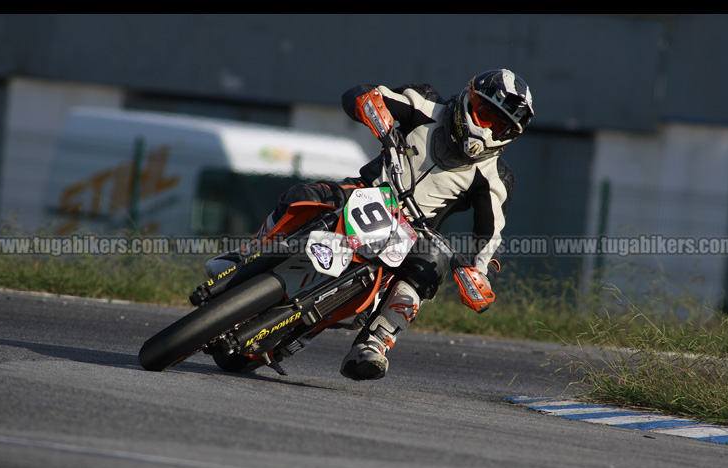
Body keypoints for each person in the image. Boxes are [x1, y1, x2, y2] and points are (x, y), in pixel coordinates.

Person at [206, 69, 534, 381]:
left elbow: (488, 237)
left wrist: (481, 276)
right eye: (486, 115)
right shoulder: (425, 104)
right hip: (365, 192)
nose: (488, 130)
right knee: (305, 194)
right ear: (469, 98)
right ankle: (246, 256)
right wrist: (369, 104)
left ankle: (374, 344)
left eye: (500, 127)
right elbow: (363, 95)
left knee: (434, 262)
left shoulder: (496, 177)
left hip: (412, 235)